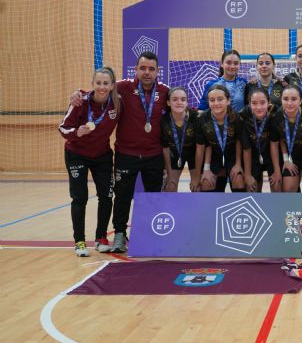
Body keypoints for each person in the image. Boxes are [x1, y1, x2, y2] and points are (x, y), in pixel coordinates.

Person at [69, 52, 169, 253]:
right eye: (143, 68)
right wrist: (77, 93)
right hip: (126, 154)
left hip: (153, 155)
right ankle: (120, 234)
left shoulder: (165, 91)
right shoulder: (122, 87)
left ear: (158, 71)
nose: (147, 72)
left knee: (153, 197)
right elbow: (99, 89)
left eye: (151, 69)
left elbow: (180, 104)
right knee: (122, 196)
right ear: (136, 70)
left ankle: (150, 234)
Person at [60, 67, 120, 256]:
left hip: (102, 156)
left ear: (112, 86)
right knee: (80, 198)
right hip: (77, 154)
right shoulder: (80, 101)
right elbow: (63, 128)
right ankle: (79, 241)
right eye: (98, 83)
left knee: (106, 197)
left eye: (106, 83)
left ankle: (101, 238)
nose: (102, 87)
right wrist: (76, 132)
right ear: (92, 84)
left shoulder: (117, 103)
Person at [194, 84, 245, 193]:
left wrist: (238, 164)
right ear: (208, 102)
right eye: (212, 100)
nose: (216, 103)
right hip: (213, 158)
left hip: (232, 157)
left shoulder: (236, 118)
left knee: (238, 179)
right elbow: (201, 148)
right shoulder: (202, 119)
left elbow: (239, 142)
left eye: (220, 99)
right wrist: (201, 173)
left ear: (228, 101)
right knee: (207, 182)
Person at [269, 85, 302, 192]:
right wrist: (285, 161)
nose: (289, 103)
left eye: (294, 99)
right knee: (289, 189)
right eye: (285, 99)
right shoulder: (277, 117)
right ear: (281, 100)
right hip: (291, 156)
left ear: (300, 101)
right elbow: (277, 142)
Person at [160, 87, 199, 192]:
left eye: (183, 99)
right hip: (175, 154)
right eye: (175, 99)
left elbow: (200, 147)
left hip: (194, 153)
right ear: (168, 102)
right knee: (170, 186)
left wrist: (196, 177)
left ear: (187, 102)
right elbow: (165, 148)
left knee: (198, 186)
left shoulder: (195, 117)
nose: (179, 102)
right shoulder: (164, 120)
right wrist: (168, 174)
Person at [241, 87, 278, 192]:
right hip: (253, 157)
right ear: (249, 104)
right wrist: (247, 175)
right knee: (252, 189)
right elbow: (246, 148)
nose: (259, 107)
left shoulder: (275, 115)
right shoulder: (243, 117)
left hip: (272, 156)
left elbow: (275, 144)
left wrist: (277, 171)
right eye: (254, 103)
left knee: (277, 185)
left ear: (269, 102)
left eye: (262, 103)